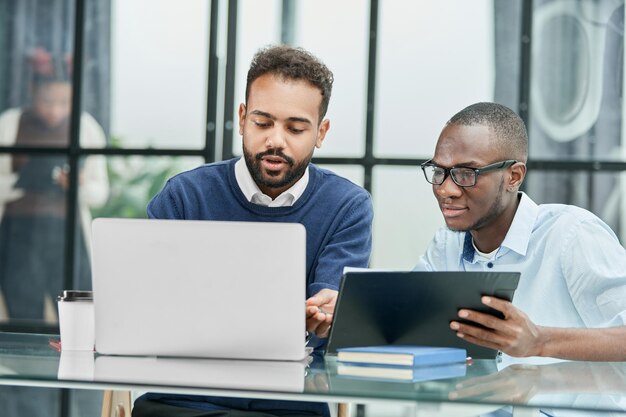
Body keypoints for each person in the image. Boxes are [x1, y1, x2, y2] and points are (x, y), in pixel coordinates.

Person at [133, 45, 373, 417]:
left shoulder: (347, 206)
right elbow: (145, 305)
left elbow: (330, 302)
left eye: (295, 128)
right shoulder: (184, 196)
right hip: (181, 399)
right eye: (263, 123)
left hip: (290, 405)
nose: (276, 140)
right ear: (242, 118)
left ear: (321, 132)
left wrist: (328, 312)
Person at [414, 102, 626, 364]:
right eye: (439, 171)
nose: (446, 189)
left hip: (562, 406)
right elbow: (410, 322)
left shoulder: (571, 234)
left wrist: (540, 341)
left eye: (466, 173)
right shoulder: (446, 245)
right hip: (483, 404)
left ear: (513, 176)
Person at [0, 47, 109, 322]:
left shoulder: (86, 127)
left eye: (64, 102)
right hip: (17, 236)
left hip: (67, 236)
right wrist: (21, 180)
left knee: (78, 319)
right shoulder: (10, 124)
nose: (55, 110)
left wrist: (78, 185)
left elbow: (100, 194)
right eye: (48, 101)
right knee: (24, 318)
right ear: (32, 91)